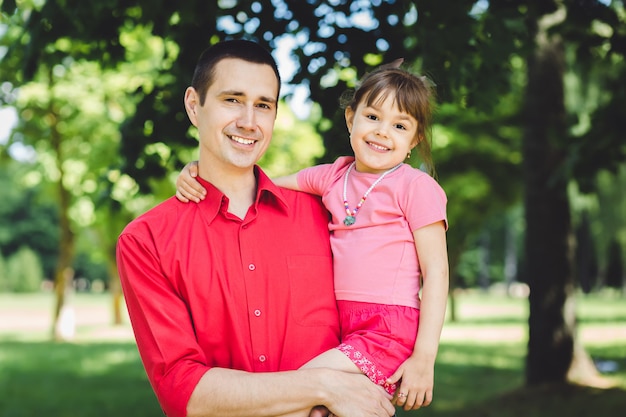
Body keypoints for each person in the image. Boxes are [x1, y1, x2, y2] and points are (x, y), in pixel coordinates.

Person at [116, 39, 397, 417]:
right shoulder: (146, 240)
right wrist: (324, 386)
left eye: (263, 105)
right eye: (232, 100)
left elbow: (386, 308)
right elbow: (184, 392)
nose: (249, 121)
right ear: (194, 106)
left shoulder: (330, 212)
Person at [176, 61, 450, 412]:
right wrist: (197, 172)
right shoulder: (333, 176)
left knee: (299, 387)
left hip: (389, 329)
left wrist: (424, 359)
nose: (383, 132)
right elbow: (260, 184)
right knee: (318, 407)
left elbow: (437, 273)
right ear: (351, 119)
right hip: (345, 326)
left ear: (415, 139)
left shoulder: (416, 187)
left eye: (400, 125)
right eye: (373, 117)